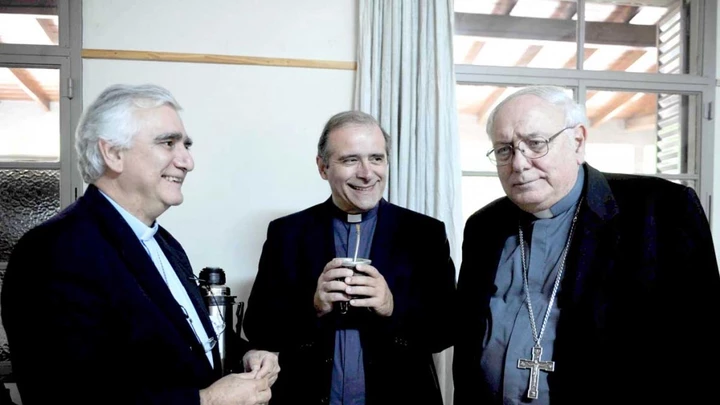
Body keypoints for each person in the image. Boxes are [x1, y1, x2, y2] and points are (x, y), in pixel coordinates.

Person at [1, 84, 279, 405]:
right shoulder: (52, 251)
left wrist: (248, 353)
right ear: (113, 154)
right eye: (168, 143)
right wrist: (207, 401)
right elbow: (66, 394)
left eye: (186, 145)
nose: (187, 161)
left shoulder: (165, 242)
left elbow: (187, 338)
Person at [453, 85, 720, 404]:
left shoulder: (662, 210)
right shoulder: (483, 226)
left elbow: (703, 348)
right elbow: (467, 345)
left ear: (578, 142)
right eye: (504, 150)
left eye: (535, 144)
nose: (519, 164)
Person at [243, 110, 456, 405]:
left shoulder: (425, 233)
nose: (367, 173)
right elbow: (258, 329)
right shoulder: (286, 233)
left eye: (376, 158)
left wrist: (392, 307)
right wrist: (313, 307)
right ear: (323, 167)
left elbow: (446, 329)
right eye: (350, 160)